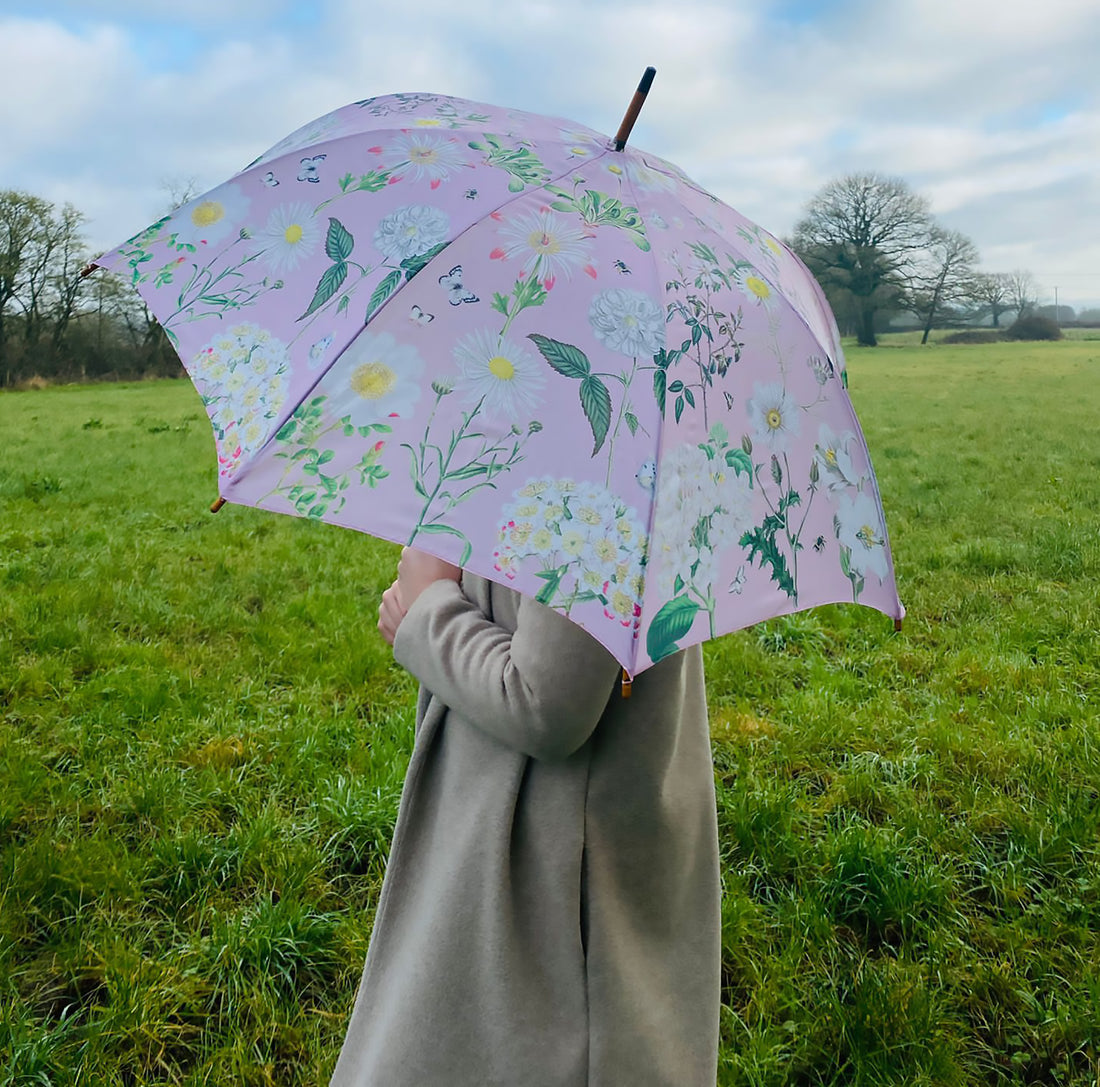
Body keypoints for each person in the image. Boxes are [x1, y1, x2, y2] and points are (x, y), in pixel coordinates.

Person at [329, 547, 721, 1086]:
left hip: (549, 865)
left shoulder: (599, 477)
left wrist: (427, 612)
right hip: (513, 825)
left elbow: (547, 703)